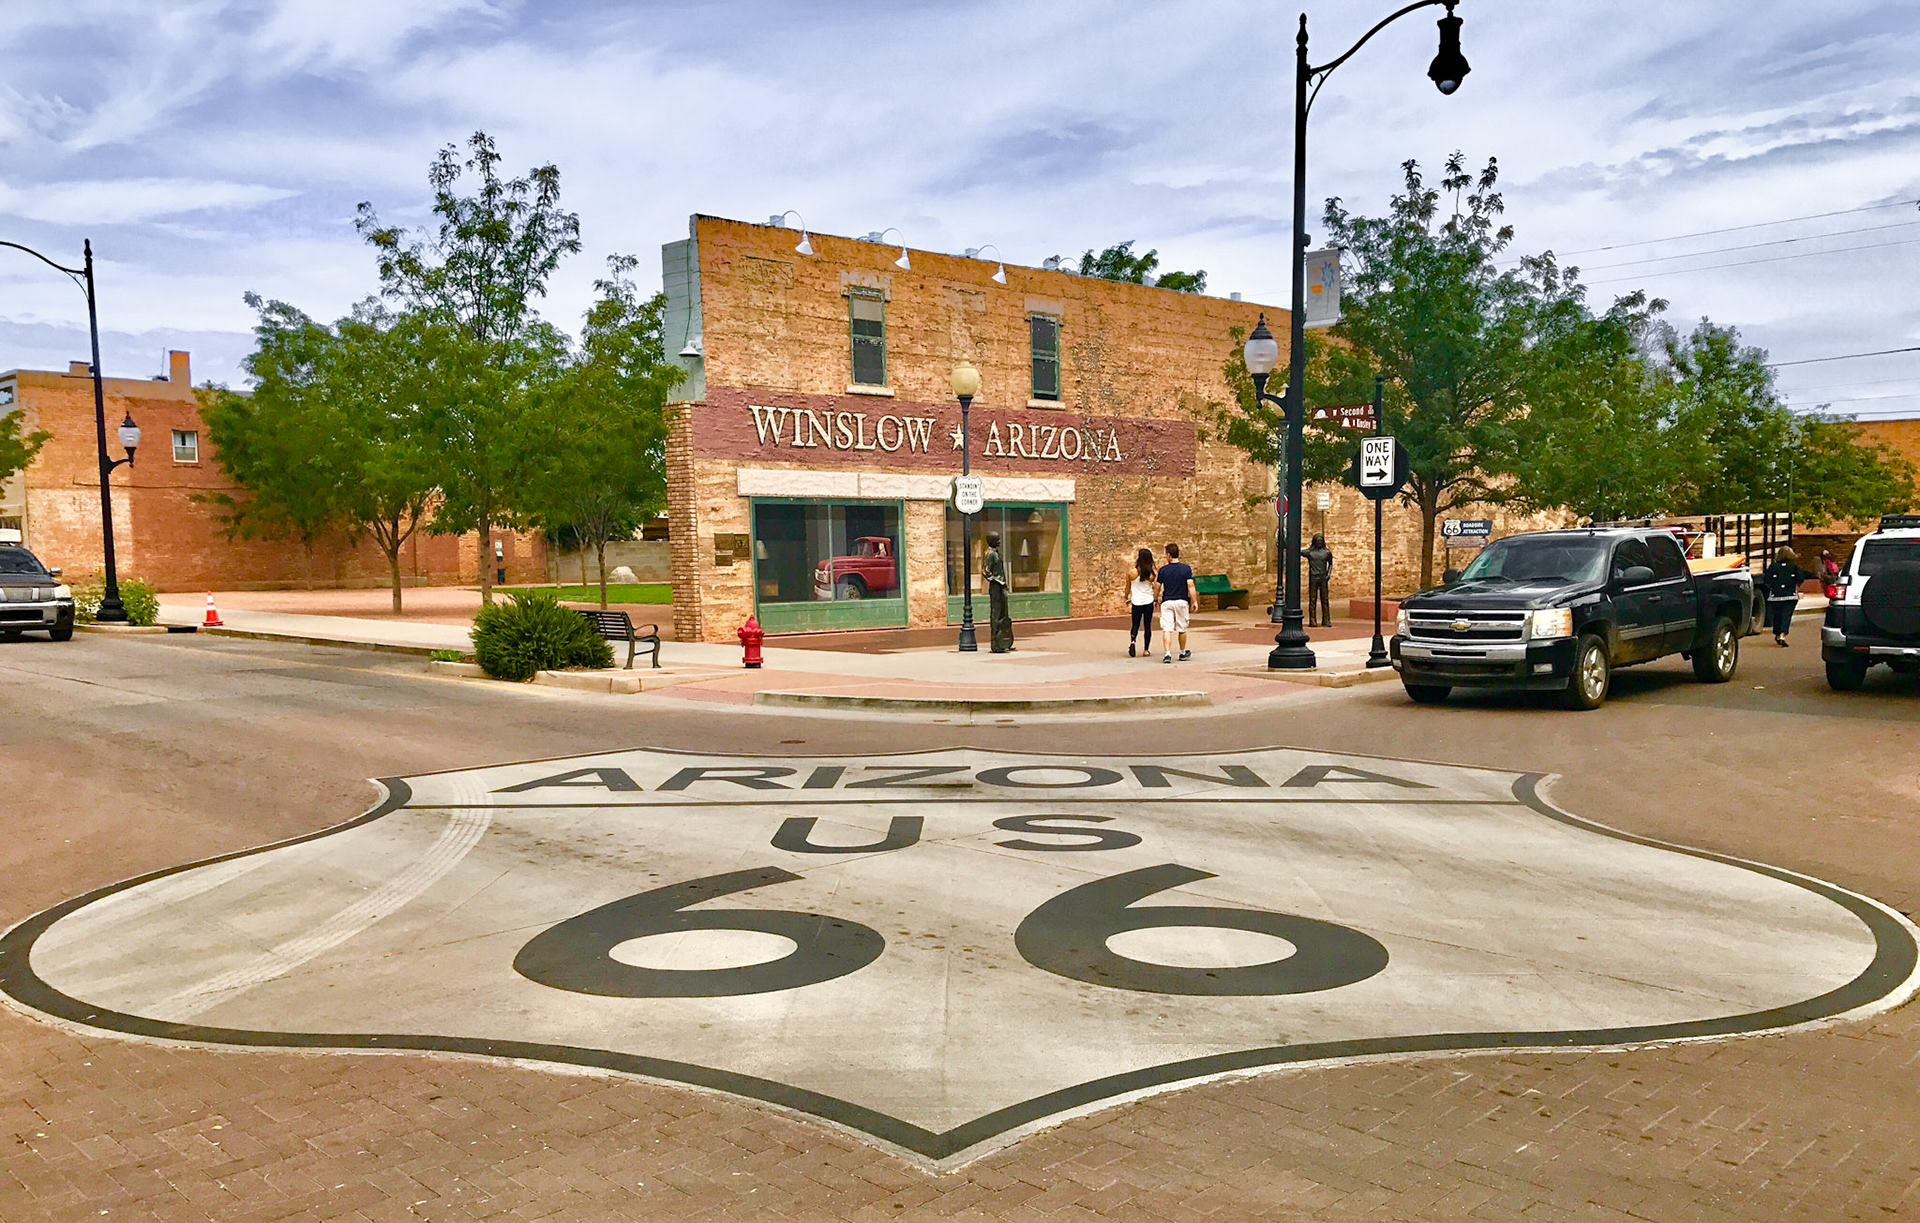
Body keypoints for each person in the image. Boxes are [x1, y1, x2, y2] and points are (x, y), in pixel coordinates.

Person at [1761, 547, 1815, 647]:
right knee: (1786, 615)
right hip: (1790, 596)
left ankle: (1777, 633)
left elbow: (1766, 579)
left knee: (1777, 615)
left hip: (1775, 596)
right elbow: (1800, 578)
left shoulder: (1773, 566)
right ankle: (1782, 635)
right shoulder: (1794, 566)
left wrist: (1773, 586)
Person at [1155, 543, 1194, 663]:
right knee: (1182, 628)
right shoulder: (1186, 569)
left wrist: (1155, 599)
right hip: (1181, 600)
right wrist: (1194, 601)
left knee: (1167, 628)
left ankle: (1167, 653)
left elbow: (1157, 587)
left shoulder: (1163, 570)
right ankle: (1182, 652)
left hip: (1167, 601)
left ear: (1168, 555)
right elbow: (1191, 586)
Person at [984, 531, 1014, 653]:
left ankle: (1004, 641)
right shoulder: (989, 554)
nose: (1000, 541)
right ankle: (995, 644)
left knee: (1004, 613)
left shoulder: (996, 553)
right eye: (997, 539)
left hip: (1001, 586)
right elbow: (986, 572)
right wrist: (997, 581)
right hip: (996, 587)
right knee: (996, 613)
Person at [1127, 547, 1156, 657]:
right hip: (1148, 601)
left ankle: (1133, 641)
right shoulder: (1151, 574)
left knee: (1135, 624)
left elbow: (1127, 587)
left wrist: (1126, 598)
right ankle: (1146, 649)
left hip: (1136, 602)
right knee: (1147, 625)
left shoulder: (1132, 573)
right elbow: (1154, 585)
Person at [1306, 533, 1335, 627]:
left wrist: (1328, 574)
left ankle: (1326, 619)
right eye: (1317, 541)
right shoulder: (1310, 552)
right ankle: (1312, 620)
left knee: (1325, 599)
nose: (1319, 543)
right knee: (1312, 599)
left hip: (1323, 578)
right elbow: (1298, 551)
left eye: (1321, 541)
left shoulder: (1326, 553)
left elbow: (1330, 564)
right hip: (1313, 578)